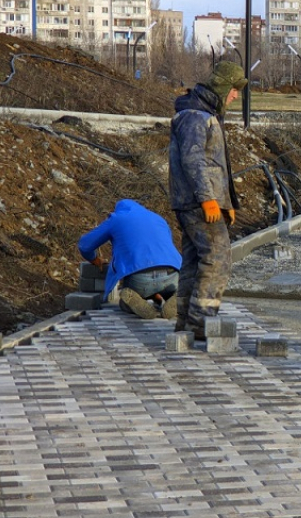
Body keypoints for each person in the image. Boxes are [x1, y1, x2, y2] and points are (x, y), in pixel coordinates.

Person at [168, 60, 246, 340]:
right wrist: (207, 199)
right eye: (234, 89)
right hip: (197, 203)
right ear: (223, 87)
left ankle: (186, 324)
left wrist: (227, 203)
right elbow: (194, 161)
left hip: (198, 202)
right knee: (218, 257)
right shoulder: (195, 117)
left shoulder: (204, 114)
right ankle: (201, 323)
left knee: (194, 260)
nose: (236, 95)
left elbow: (216, 164)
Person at [78, 199, 182, 320]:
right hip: (172, 275)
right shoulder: (158, 219)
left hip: (140, 278)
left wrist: (95, 260)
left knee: (127, 299)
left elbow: (85, 244)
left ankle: (134, 304)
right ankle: (175, 300)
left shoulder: (117, 219)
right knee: (163, 288)